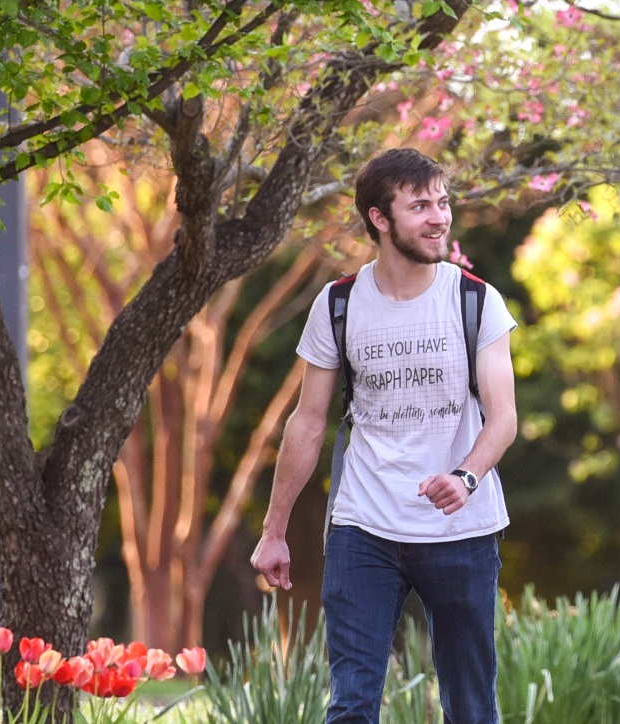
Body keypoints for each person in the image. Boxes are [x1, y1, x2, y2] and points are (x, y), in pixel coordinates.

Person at [249, 148, 517, 724]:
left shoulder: (475, 300)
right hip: (364, 527)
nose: (439, 217)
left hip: (461, 530)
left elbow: (504, 418)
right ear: (379, 218)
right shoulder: (339, 305)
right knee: (350, 704)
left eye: (442, 203)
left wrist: (466, 477)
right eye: (420, 206)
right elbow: (308, 420)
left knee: (471, 708)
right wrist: (274, 530)